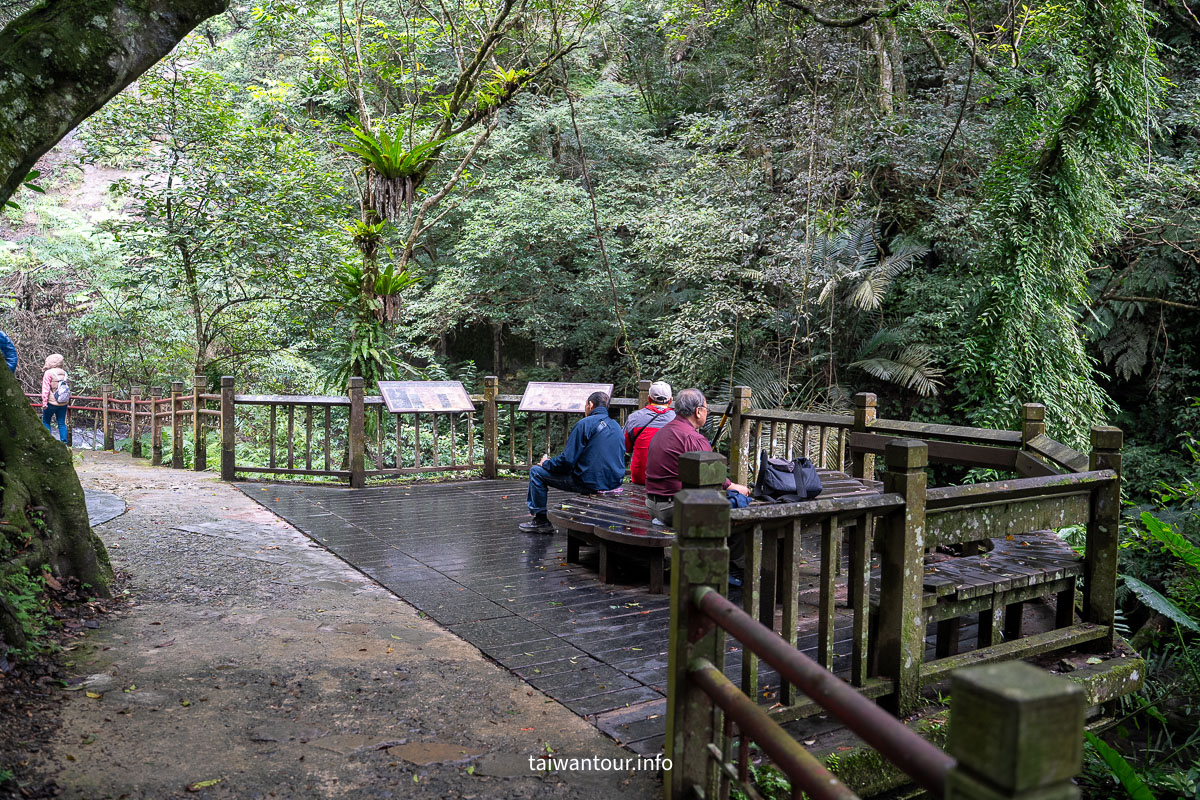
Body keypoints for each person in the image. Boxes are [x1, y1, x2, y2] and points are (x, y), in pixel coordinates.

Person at [519, 391, 626, 534]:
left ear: (590, 405)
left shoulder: (584, 424)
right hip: (614, 482)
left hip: (589, 482)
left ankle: (541, 521)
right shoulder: (617, 427)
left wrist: (546, 463)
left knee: (536, 472)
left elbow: (567, 461)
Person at [643, 388, 751, 526]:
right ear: (698, 411)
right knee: (740, 502)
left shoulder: (662, 432)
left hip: (651, 505)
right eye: (706, 409)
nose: (707, 412)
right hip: (674, 509)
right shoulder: (693, 439)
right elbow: (714, 477)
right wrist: (735, 487)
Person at [623, 380, 675, 485]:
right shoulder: (678, 420)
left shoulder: (634, 418)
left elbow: (625, 447)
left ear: (649, 399)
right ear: (670, 400)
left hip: (640, 478)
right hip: (668, 478)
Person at [41, 353, 69, 442]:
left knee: (46, 421)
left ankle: (48, 442)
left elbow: (45, 389)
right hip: (63, 402)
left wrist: (44, 402)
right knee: (61, 423)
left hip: (51, 402)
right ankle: (64, 443)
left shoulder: (48, 373)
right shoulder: (65, 373)